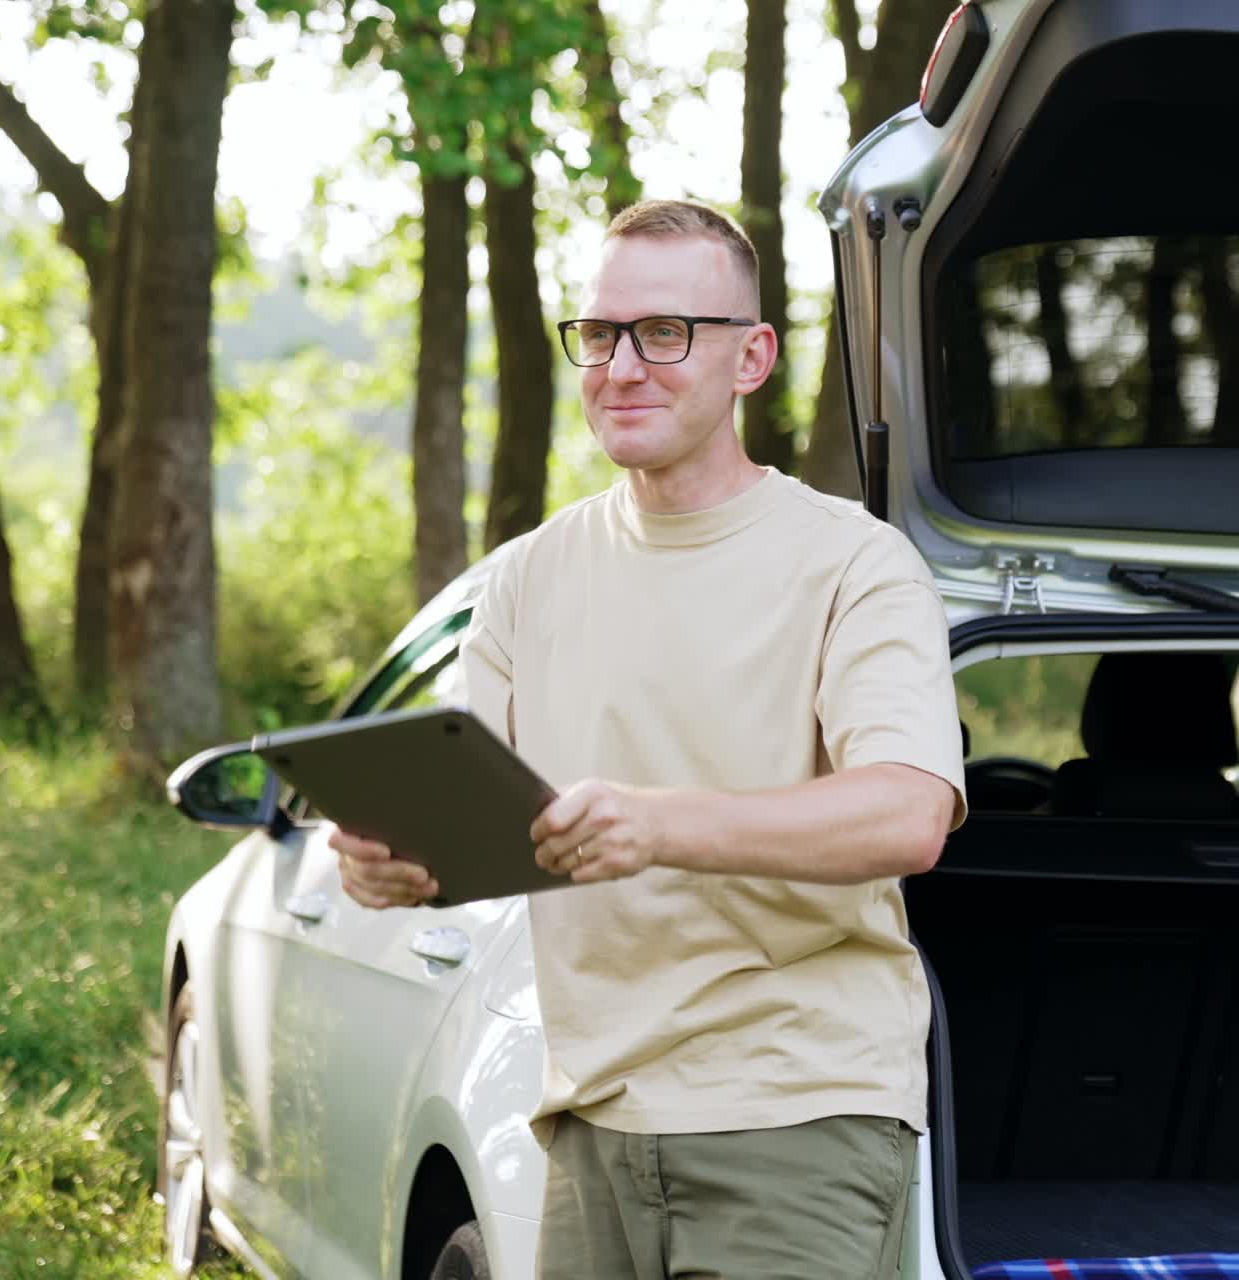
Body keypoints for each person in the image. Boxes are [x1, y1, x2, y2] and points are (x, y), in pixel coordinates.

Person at [331, 199, 966, 1280]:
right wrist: (391, 863)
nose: (621, 365)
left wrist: (656, 823)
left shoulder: (853, 566)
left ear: (750, 357)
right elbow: (473, 813)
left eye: (664, 332)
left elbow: (906, 810)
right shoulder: (528, 575)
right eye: (599, 334)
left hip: (794, 1112)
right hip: (589, 1117)